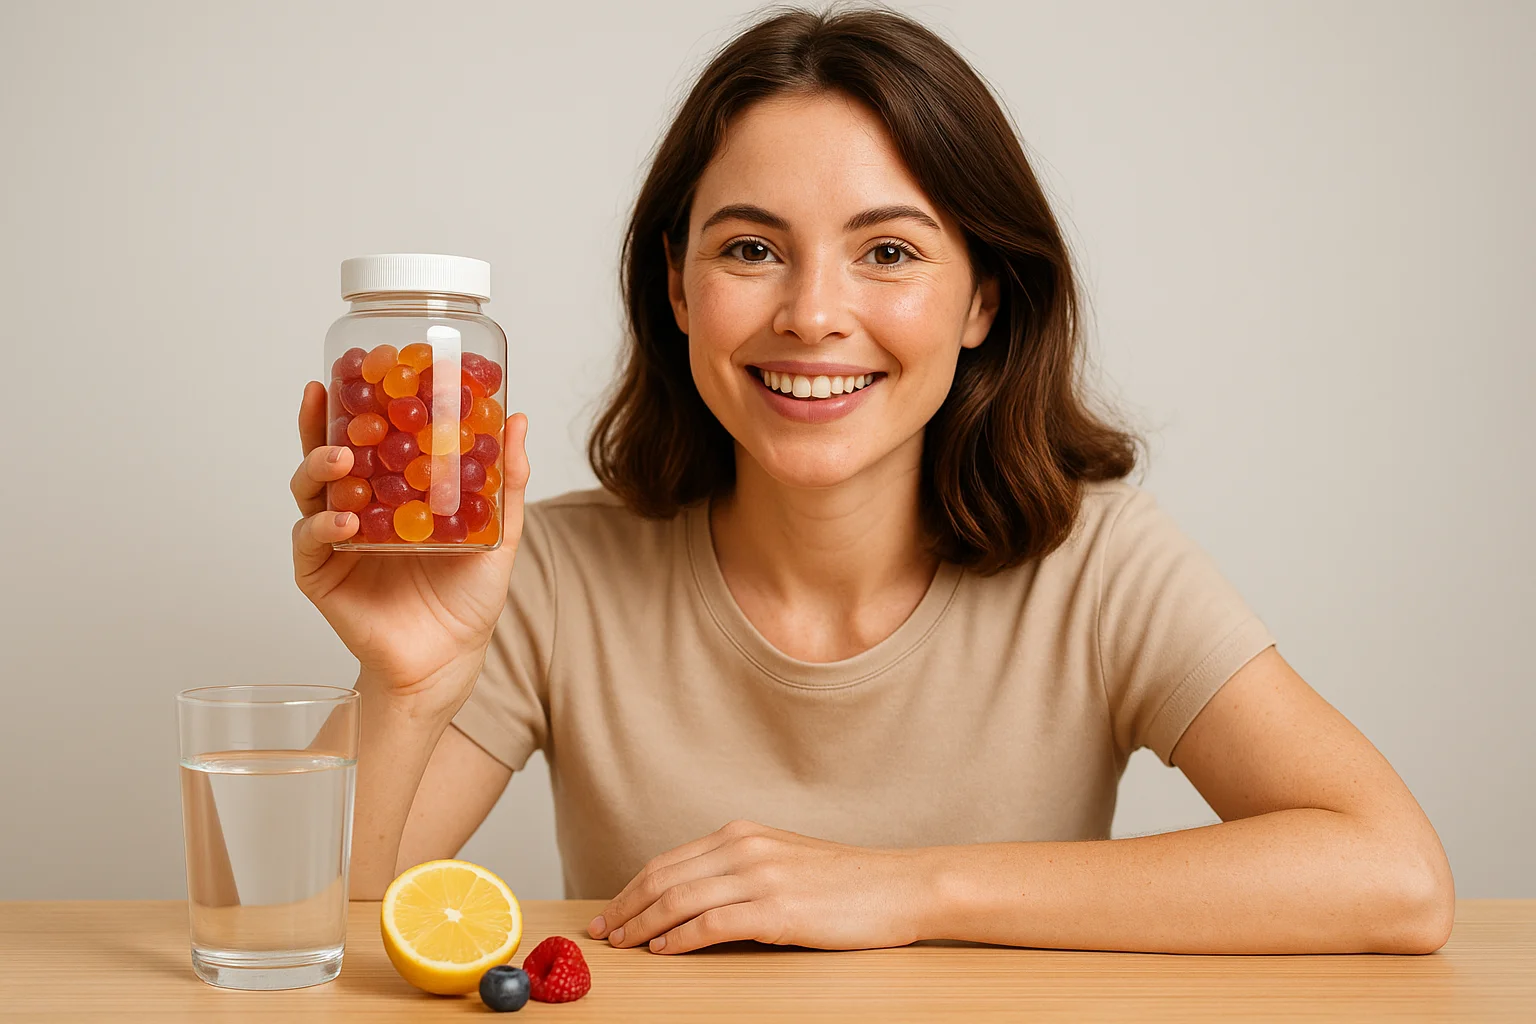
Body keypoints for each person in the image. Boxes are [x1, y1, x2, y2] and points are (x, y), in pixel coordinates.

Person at [290, 6, 1453, 956]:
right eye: (750, 248)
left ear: (984, 298)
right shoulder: (548, 570)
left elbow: (1394, 874)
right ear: (681, 289)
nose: (811, 315)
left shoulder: (1104, 564)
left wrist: (908, 891)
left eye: (888, 252)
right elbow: (291, 924)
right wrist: (404, 684)